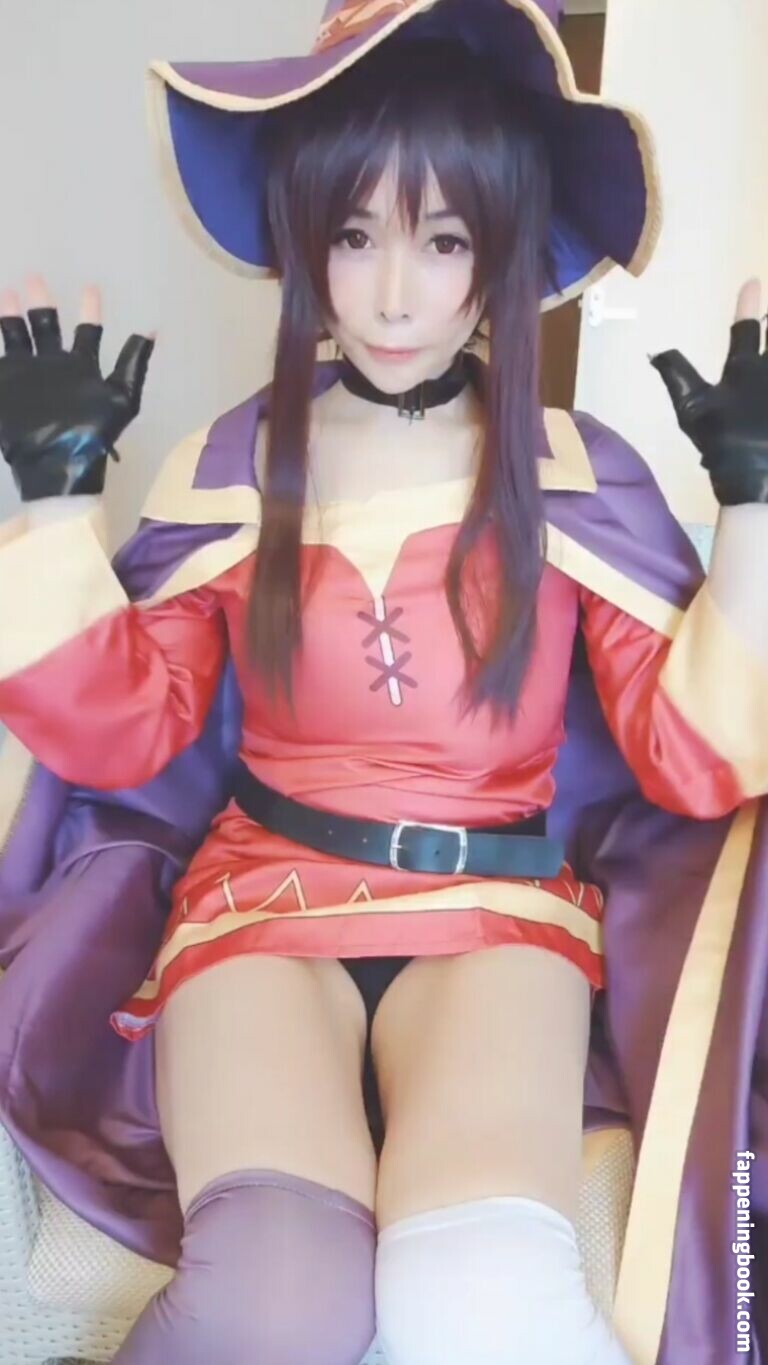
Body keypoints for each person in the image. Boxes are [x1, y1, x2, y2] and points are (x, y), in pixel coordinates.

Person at [0, 2, 766, 1362]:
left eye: (444, 239)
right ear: (304, 239)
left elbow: (696, 758)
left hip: (496, 912)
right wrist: (55, 508)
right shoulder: (232, 462)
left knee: (480, 1300)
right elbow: (123, 734)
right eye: (354, 236)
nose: (395, 295)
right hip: (262, 900)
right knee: (274, 1304)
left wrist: (754, 510)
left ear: (501, 250)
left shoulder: (577, 472)